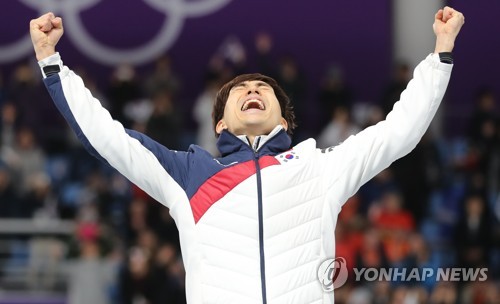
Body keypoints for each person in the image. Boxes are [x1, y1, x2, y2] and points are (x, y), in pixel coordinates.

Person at [29, 7, 464, 304]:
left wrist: (440, 54)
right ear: (219, 123)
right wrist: (52, 63)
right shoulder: (188, 173)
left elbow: (398, 133)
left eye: (263, 89)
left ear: (284, 119)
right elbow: (108, 138)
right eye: (240, 89)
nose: (253, 90)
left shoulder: (318, 167)